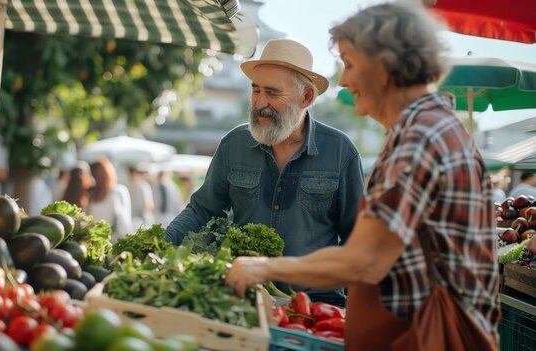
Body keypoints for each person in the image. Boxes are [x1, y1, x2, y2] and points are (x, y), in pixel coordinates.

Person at [225, 2, 500, 348]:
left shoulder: (421, 139)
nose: (345, 80)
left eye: (350, 64)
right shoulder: (424, 131)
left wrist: (264, 269)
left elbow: (364, 260)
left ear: (383, 66)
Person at [166, 38, 364, 306]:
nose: (259, 103)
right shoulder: (233, 144)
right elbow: (202, 210)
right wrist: (162, 243)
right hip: (242, 296)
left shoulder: (341, 151)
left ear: (305, 97)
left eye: (272, 93)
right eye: (255, 90)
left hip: (315, 305)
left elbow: (356, 240)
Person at [88, 157, 133, 240]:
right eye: (96, 175)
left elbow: (124, 221)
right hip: (93, 241)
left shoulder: (118, 192)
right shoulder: (90, 194)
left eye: (101, 174)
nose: (99, 178)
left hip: (113, 240)